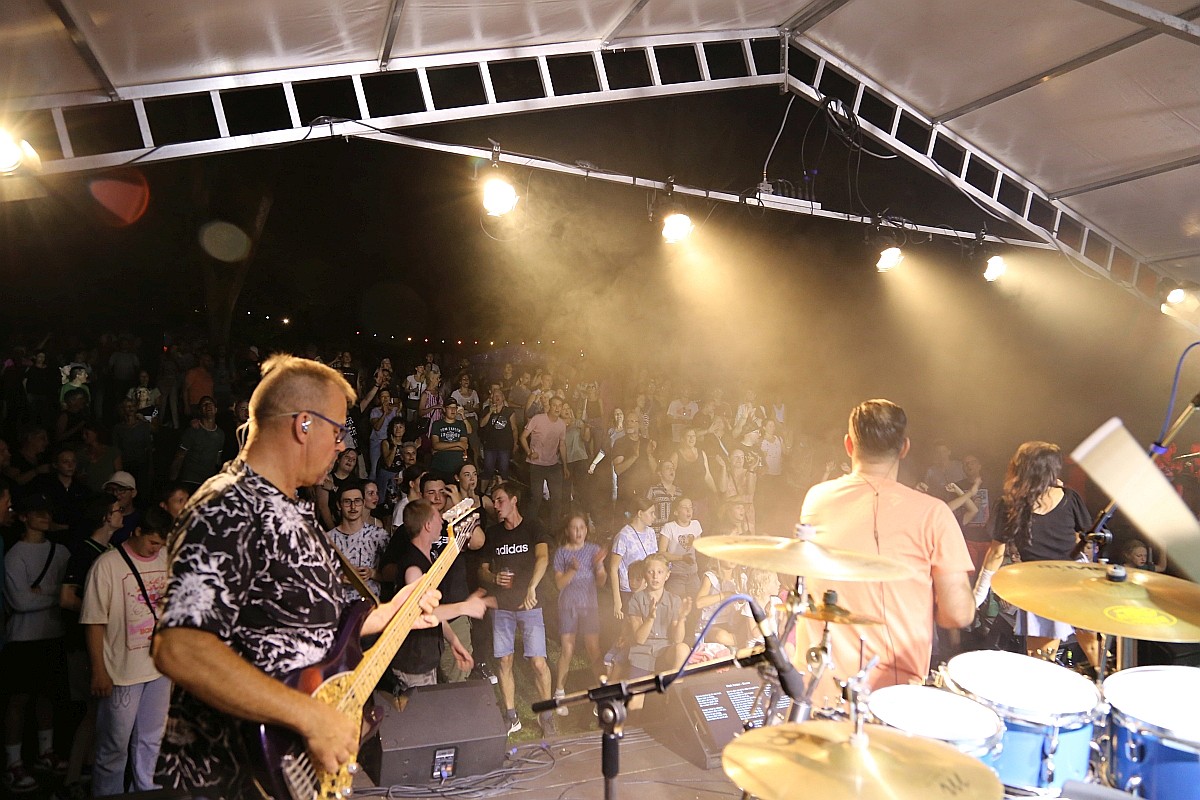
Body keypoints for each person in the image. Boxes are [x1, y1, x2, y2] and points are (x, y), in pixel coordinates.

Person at [152, 354, 441, 799]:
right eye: (337, 431)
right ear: (303, 424)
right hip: (230, 781)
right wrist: (309, 717)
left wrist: (391, 613)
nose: (342, 446)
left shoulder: (296, 514)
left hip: (290, 778)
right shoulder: (229, 505)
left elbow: (314, 628)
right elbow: (181, 648)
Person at [798, 399, 974, 700]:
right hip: (891, 699)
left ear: (849, 445)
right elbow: (957, 615)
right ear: (904, 448)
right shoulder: (934, 513)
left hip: (817, 692)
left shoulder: (817, 499)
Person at [81, 506, 172, 797]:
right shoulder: (107, 565)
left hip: (159, 667)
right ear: (137, 532)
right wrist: (99, 671)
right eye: (152, 542)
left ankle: (146, 791)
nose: (156, 549)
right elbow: (94, 622)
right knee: (114, 745)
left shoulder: (166, 557)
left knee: (152, 739)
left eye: (161, 543)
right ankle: (108, 794)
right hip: (121, 671)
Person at [974, 442, 1093, 660]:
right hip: (1069, 578)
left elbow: (996, 554)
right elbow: (1084, 538)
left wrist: (977, 596)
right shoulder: (1068, 497)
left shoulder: (1010, 504)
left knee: (1043, 659)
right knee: (1094, 650)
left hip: (1042, 583)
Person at [3, 492, 71, 793]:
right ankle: (13, 762)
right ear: (23, 517)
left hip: (52, 634)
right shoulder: (14, 555)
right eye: (37, 512)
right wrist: (56, 596)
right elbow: (20, 601)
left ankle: (46, 752)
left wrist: (43, 594)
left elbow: (66, 591)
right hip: (23, 638)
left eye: (47, 512)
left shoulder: (60, 551)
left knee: (47, 697)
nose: (45, 517)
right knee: (18, 700)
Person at [388, 499, 488, 691]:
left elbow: (433, 610)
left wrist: (454, 641)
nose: (442, 521)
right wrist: (464, 607)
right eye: (437, 518)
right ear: (427, 525)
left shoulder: (427, 561)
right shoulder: (413, 567)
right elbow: (422, 613)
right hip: (413, 661)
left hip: (424, 657)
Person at [478, 482, 554, 736]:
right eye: (493, 501)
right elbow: (482, 569)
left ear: (513, 500)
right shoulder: (493, 533)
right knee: (504, 660)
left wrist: (532, 587)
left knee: (538, 663)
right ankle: (511, 716)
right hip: (502, 606)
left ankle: (546, 714)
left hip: (530, 604)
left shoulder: (533, 527)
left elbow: (543, 557)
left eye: (500, 500)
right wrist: (493, 577)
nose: (495, 505)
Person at [551, 513, 606, 712]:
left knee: (593, 648)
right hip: (568, 606)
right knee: (568, 649)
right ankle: (559, 694)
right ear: (567, 531)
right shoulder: (561, 553)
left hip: (589, 605)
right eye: (574, 528)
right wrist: (573, 570)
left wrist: (599, 566)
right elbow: (559, 584)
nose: (578, 532)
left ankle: (603, 694)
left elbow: (601, 582)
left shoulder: (593, 550)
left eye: (582, 527)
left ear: (586, 529)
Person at [325, 482, 390, 603]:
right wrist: (338, 578)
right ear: (339, 505)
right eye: (347, 502)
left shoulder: (379, 535)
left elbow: (392, 574)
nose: (353, 506)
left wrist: (372, 573)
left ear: (363, 503)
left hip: (372, 605)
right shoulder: (327, 540)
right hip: (339, 605)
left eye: (357, 501)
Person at [608, 496, 659, 621]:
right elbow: (613, 569)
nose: (654, 517)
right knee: (631, 626)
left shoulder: (651, 533)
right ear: (640, 514)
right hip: (629, 590)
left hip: (648, 587)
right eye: (651, 513)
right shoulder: (623, 536)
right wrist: (617, 600)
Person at [521, 396, 569, 527]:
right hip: (537, 465)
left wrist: (565, 466)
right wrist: (529, 453)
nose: (557, 408)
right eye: (555, 405)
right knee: (536, 498)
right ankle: (529, 527)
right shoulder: (538, 419)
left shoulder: (561, 424)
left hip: (553, 465)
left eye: (560, 406)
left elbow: (562, 445)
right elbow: (523, 437)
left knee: (557, 499)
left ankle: (554, 529)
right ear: (549, 406)